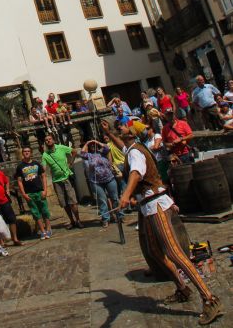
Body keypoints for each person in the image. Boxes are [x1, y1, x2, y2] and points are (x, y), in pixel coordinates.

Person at [102, 119, 223, 325]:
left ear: (131, 132)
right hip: (148, 206)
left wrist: (126, 194)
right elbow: (123, 147)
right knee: (156, 252)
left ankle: (209, 298)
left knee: (174, 252)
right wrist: (110, 134)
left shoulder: (135, 152)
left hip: (155, 204)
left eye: (122, 126)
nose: (119, 127)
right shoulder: (132, 147)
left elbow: (136, 173)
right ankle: (182, 288)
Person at [41, 134, 83, 229]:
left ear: (53, 140)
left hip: (66, 178)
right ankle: (72, 221)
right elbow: (43, 168)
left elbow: (74, 151)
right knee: (64, 203)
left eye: (50, 139)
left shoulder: (61, 147)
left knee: (73, 202)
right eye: (46, 140)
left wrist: (71, 163)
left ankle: (78, 220)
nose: (48, 141)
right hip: (56, 181)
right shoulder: (45, 155)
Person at [80, 141, 123, 229]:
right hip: (96, 182)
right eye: (91, 146)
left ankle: (119, 216)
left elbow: (107, 147)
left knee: (115, 198)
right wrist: (87, 143)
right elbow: (82, 153)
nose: (93, 146)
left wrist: (96, 141)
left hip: (109, 178)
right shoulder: (88, 156)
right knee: (102, 200)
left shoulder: (103, 151)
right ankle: (105, 219)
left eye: (94, 145)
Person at [15, 146, 51, 239]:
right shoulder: (20, 167)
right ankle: (42, 231)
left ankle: (48, 229)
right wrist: (24, 194)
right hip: (29, 193)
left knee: (45, 211)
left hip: (39, 191)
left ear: (31, 153)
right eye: (24, 151)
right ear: (22, 153)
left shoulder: (36, 164)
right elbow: (19, 181)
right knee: (36, 213)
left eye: (28, 151)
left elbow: (43, 176)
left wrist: (45, 190)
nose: (26, 153)